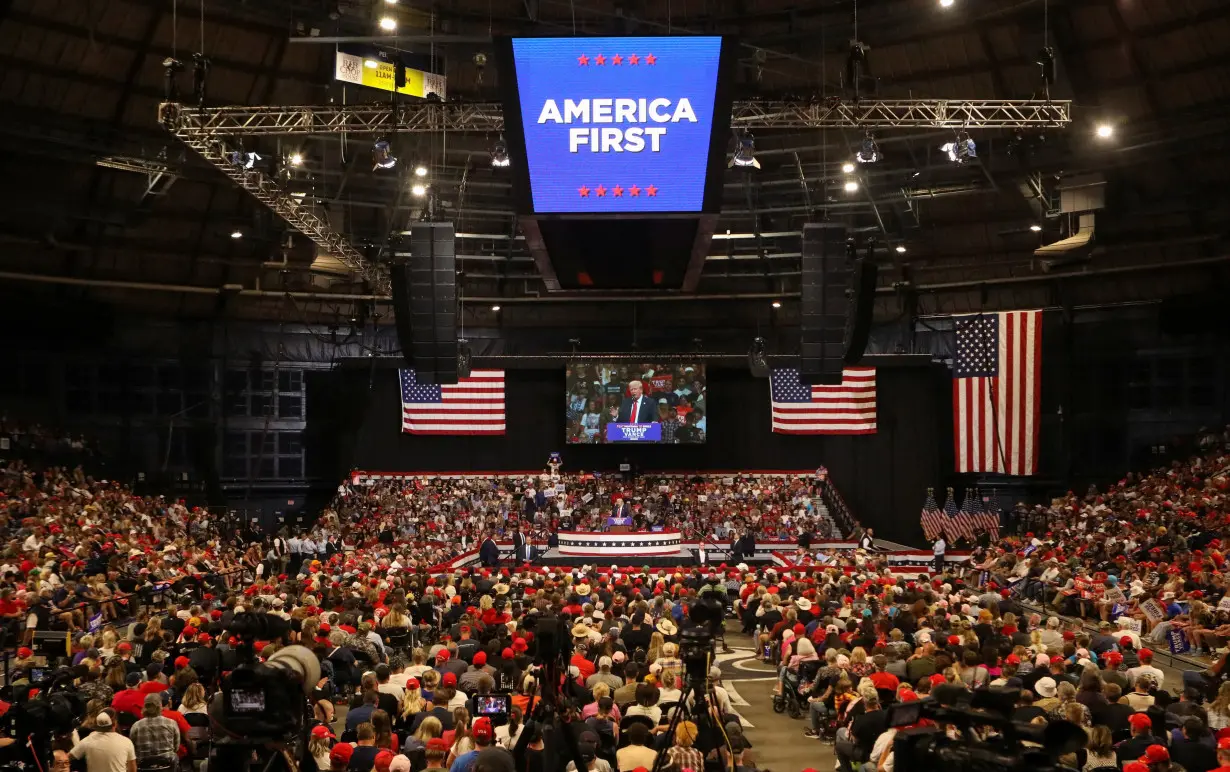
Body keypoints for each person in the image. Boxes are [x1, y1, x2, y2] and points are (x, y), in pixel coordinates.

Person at [69, 710, 135, 772]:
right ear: (115, 723)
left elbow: (67, 757)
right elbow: (132, 769)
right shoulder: (127, 742)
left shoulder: (88, 740)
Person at [129, 694, 180, 768]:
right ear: (160, 706)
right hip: (167, 767)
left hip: (144, 767)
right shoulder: (171, 723)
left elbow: (132, 748)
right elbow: (176, 747)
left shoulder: (136, 726)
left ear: (145, 706)